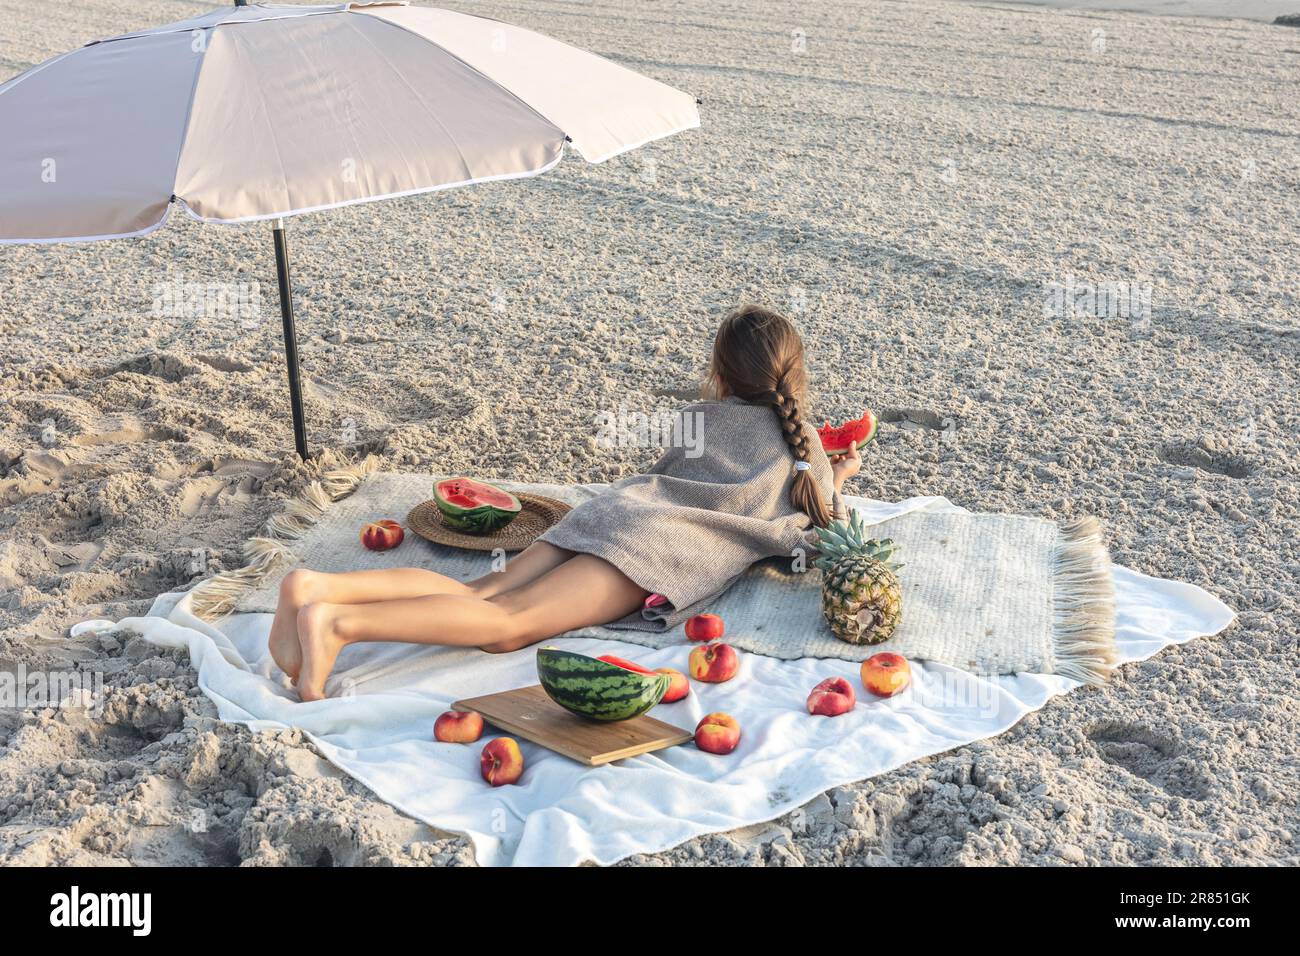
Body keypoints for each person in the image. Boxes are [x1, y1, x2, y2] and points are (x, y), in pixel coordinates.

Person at [270, 304, 861, 700]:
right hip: (653, 553)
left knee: (482, 593)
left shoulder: (699, 417)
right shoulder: (800, 441)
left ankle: (317, 587)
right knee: (507, 627)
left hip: (612, 514)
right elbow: (818, 523)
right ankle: (338, 624)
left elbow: (670, 473)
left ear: (720, 373)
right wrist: (842, 474)